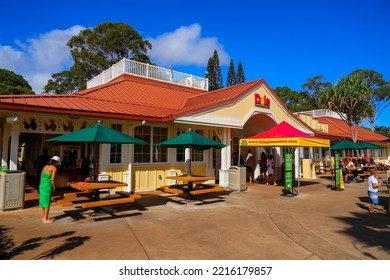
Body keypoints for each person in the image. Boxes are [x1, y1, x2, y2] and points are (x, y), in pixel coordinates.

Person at [39, 156, 61, 223]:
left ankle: (44, 217)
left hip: (42, 185)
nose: (58, 165)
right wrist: (54, 186)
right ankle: (46, 219)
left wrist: (42, 184)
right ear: (56, 162)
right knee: (47, 202)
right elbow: (53, 179)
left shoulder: (45, 167)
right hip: (48, 186)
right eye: (58, 163)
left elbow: (41, 176)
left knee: (43, 202)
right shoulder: (54, 168)